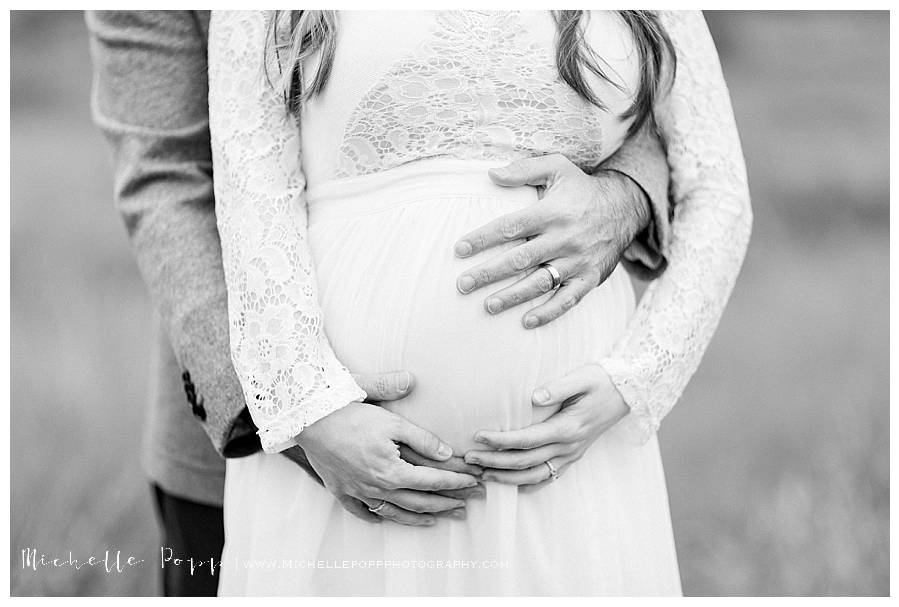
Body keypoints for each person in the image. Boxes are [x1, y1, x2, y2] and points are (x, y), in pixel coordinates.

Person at [86, 9, 673, 596]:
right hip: (240, 431)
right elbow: (165, 176)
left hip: (551, 469)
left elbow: (648, 103)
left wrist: (623, 198)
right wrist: (298, 413)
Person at [209, 9, 751, 596]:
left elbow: (717, 190)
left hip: (573, 469)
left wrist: (638, 378)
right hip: (344, 466)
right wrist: (312, 411)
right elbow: (252, 190)